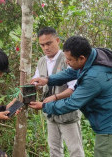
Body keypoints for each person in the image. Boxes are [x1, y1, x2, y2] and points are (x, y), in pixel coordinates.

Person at [30, 36, 112, 157]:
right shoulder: (95, 56)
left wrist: (44, 106)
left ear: (82, 58)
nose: (67, 62)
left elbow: (72, 103)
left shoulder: (94, 77)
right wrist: (47, 80)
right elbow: (72, 71)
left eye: (69, 60)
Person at [32, 27, 85, 157]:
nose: (45, 48)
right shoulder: (41, 61)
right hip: (50, 113)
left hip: (67, 113)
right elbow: (38, 83)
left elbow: (73, 89)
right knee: (54, 150)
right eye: (42, 45)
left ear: (57, 41)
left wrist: (55, 97)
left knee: (75, 150)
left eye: (48, 43)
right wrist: (31, 85)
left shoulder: (68, 59)